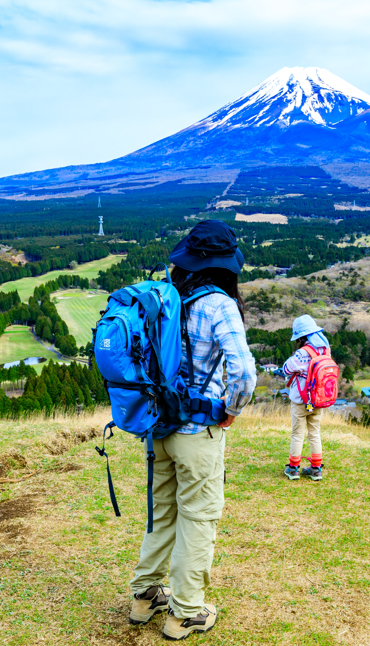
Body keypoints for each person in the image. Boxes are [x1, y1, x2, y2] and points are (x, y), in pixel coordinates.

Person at [128, 220, 257, 641]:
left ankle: (145, 595)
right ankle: (185, 613)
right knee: (198, 519)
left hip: (157, 427)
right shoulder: (218, 304)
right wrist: (232, 409)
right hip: (198, 431)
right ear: (225, 266)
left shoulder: (165, 297)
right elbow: (244, 372)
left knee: (161, 513)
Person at [282, 315, 330, 481]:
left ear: (302, 337)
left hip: (300, 400)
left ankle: (294, 468)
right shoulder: (325, 350)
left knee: (297, 434)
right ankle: (316, 469)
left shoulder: (303, 353)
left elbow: (286, 369)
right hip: (319, 400)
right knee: (314, 433)